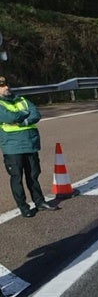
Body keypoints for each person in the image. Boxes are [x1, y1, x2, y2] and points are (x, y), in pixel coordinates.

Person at [0, 76, 60, 217]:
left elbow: (35, 114)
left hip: (30, 144)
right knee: (17, 178)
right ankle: (24, 207)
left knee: (33, 175)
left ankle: (39, 202)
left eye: (6, 84)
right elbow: (10, 118)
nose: (6, 87)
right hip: (12, 146)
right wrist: (24, 115)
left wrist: (22, 120)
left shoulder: (21, 100)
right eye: (2, 86)